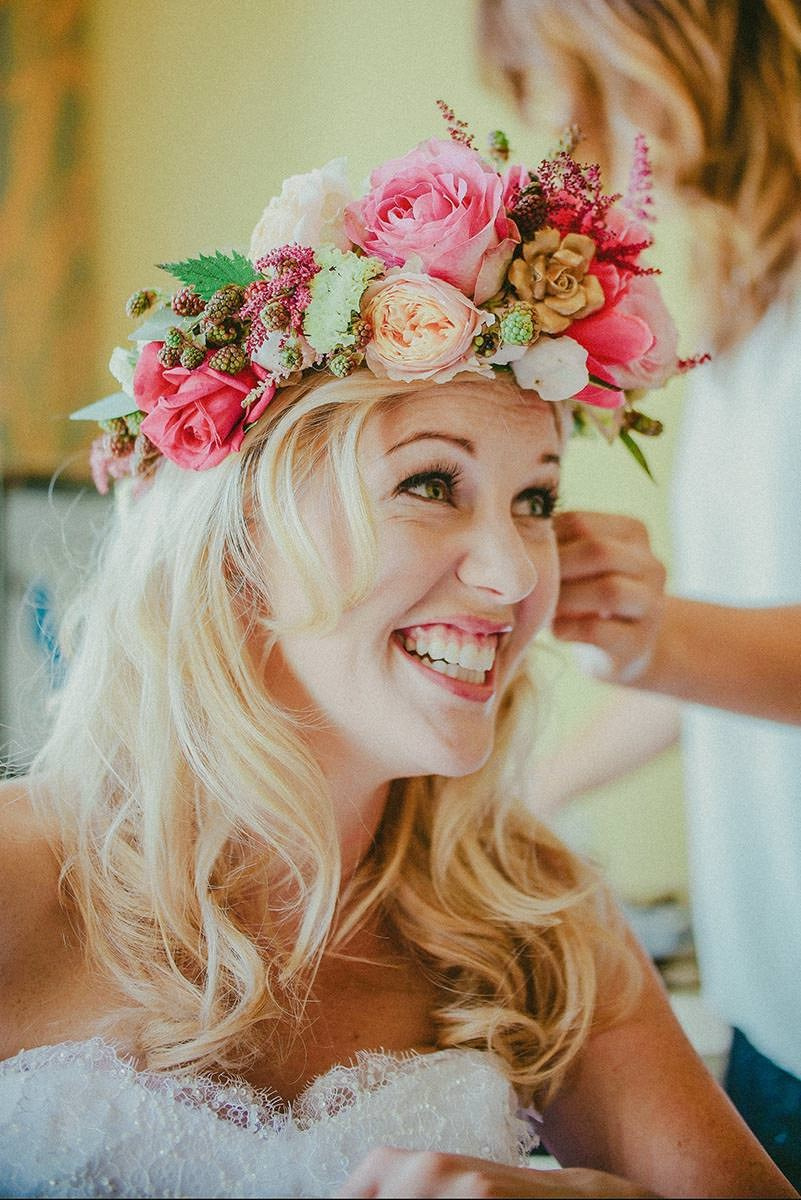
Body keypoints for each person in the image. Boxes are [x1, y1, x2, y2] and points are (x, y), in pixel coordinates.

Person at [0, 121, 795, 1199]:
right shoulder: (16, 883)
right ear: (243, 542)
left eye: (538, 500)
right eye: (431, 484)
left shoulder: (540, 915)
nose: (520, 575)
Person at [478, 0, 801, 1187]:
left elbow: (706, 647)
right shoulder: (744, 332)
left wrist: (655, 631)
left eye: (567, 98)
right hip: (772, 995)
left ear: (657, 63)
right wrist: (525, 796)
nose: (564, 154)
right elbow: (737, 662)